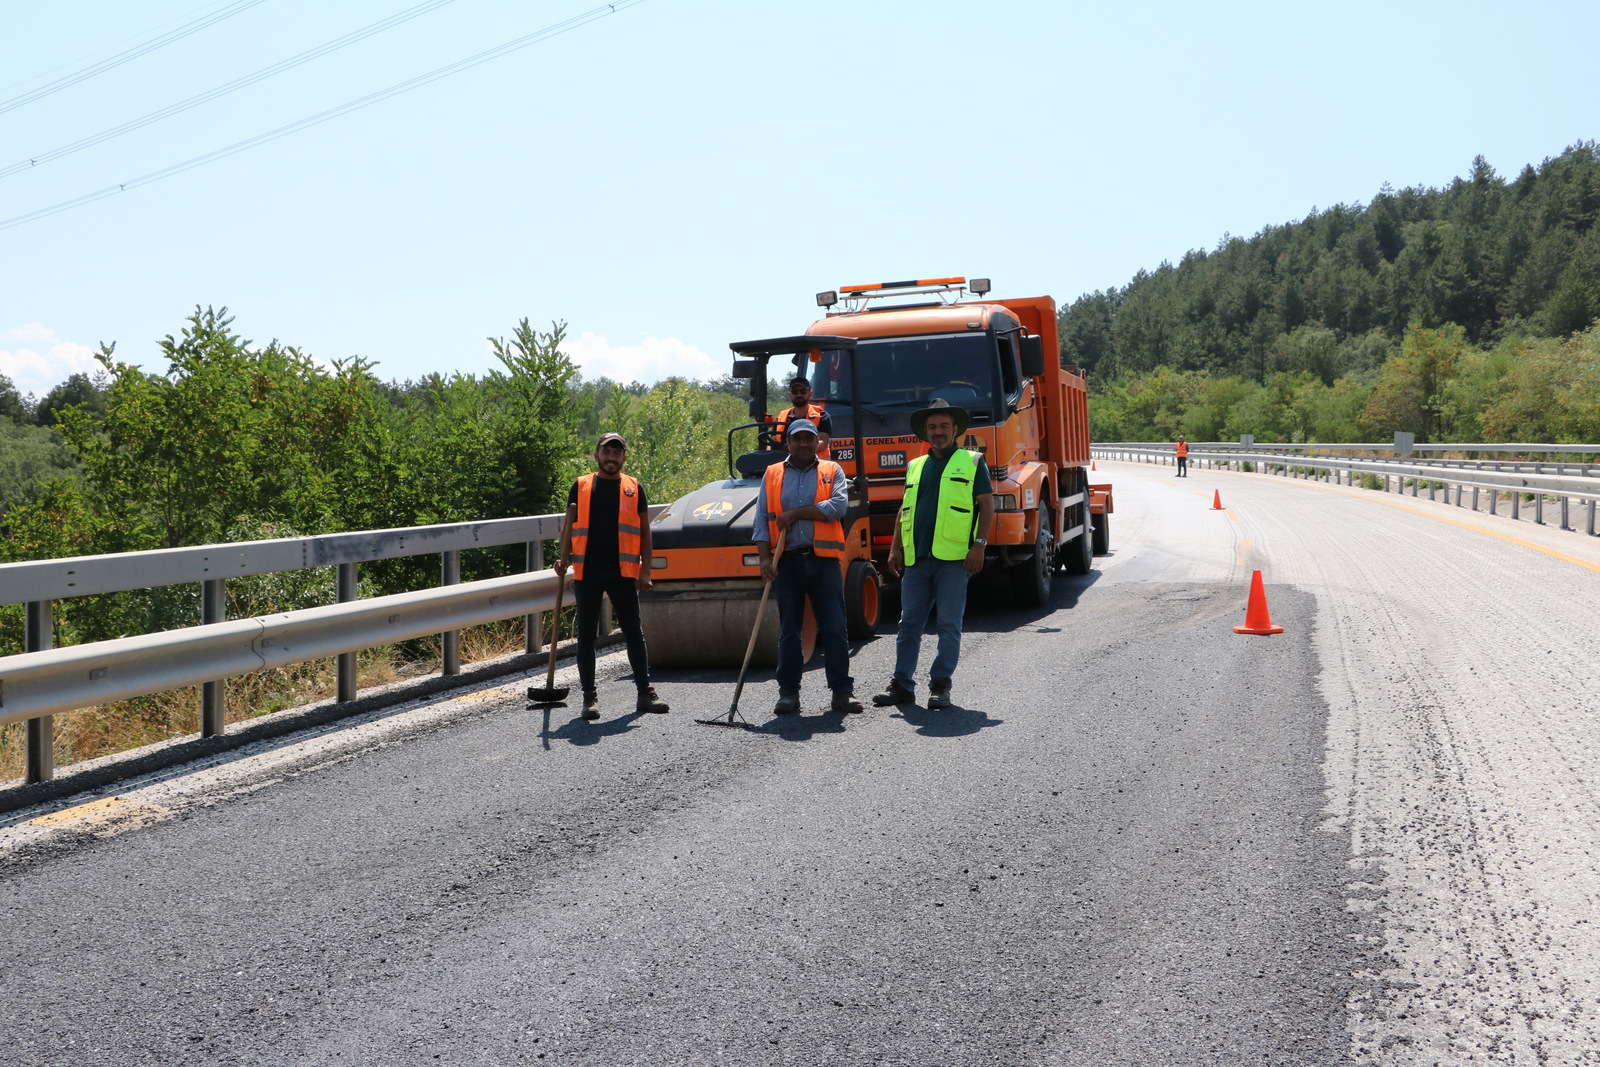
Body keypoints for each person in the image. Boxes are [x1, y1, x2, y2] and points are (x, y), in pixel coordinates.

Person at [873, 398, 995, 711]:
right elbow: (904, 508)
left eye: (943, 426)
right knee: (908, 624)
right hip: (917, 560)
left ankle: (940, 686)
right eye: (932, 427)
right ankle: (902, 685)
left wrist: (979, 544)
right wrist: (894, 548)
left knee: (948, 625)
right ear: (925, 432)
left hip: (954, 560)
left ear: (955, 430)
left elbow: (987, 504)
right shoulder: (915, 466)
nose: (938, 432)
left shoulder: (971, 461)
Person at [555, 432, 669, 721]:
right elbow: (568, 527)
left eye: (617, 453)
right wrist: (562, 558)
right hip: (588, 571)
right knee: (586, 636)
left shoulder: (634, 487)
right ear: (597, 456)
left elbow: (645, 533)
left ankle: (645, 693)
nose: (611, 457)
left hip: (623, 572)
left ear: (623, 458)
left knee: (634, 632)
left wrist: (645, 570)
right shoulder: (580, 486)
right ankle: (589, 698)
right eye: (607, 452)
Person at [753, 418, 862, 715]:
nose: (803, 443)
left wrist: (795, 514)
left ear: (818, 443)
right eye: (797, 439)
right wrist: (764, 558)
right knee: (790, 630)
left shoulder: (832, 470)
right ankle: (788, 693)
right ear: (788, 443)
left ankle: (842, 692)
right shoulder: (773, 473)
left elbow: (837, 507)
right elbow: (762, 518)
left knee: (835, 628)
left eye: (808, 439)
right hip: (786, 562)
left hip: (824, 562)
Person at [772, 375, 832, 457]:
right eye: (795, 392)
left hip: (816, 465)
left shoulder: (821, 416)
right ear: (790, 395)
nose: (799, 395)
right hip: (785, 463)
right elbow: (773, 442)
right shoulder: (781, 418)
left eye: (803, 391)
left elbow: (822, 443)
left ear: (810, 393)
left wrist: (795, 450)